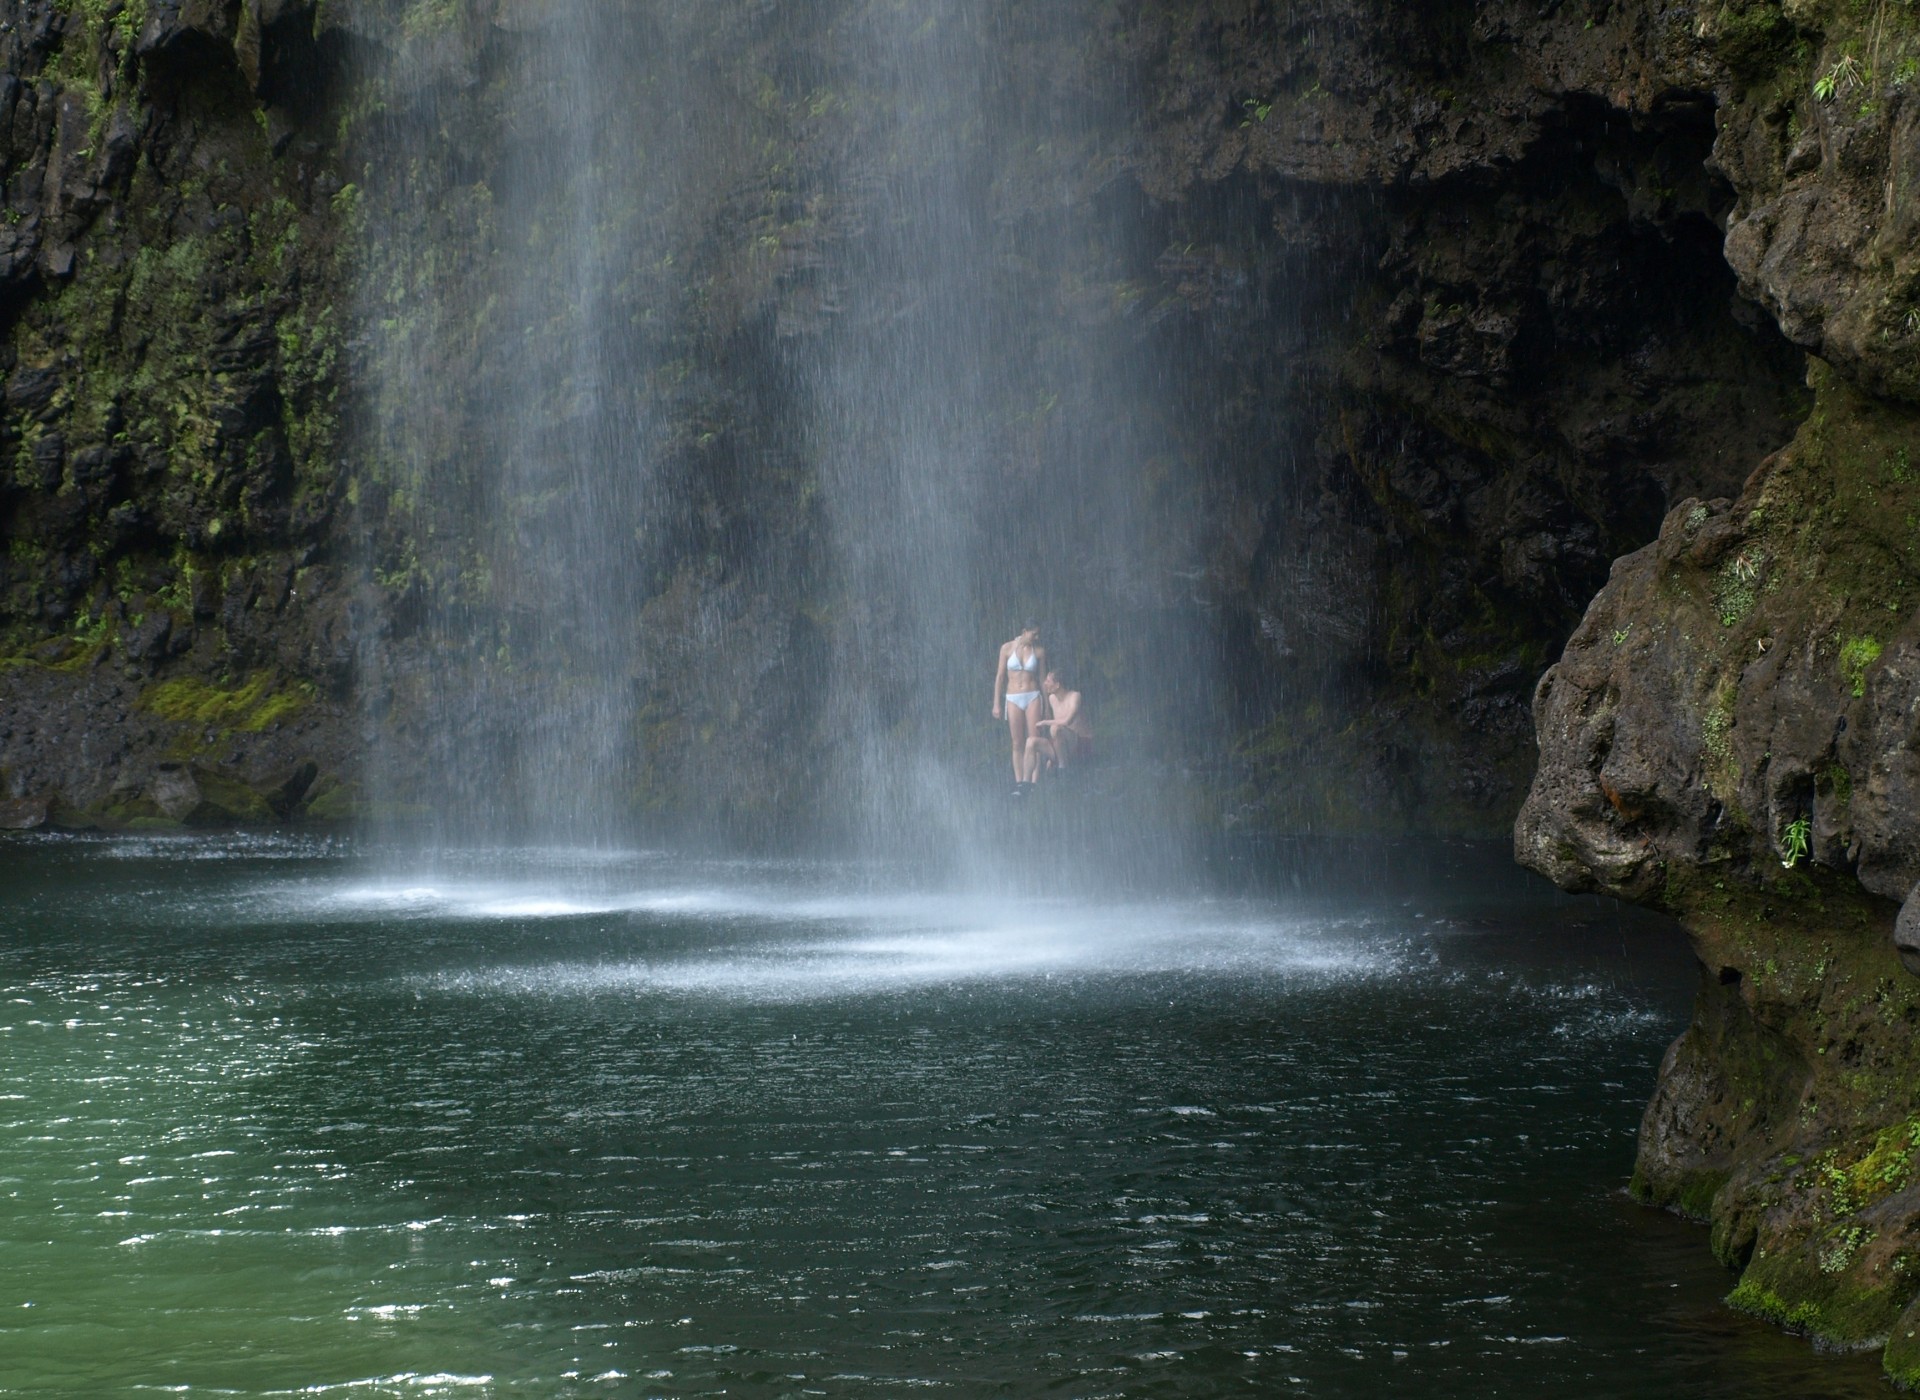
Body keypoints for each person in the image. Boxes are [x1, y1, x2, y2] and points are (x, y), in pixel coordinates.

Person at [991, 621, 1047, 794]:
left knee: (1034, 739)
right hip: (1013, 696)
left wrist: (1048, 706)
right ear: (1025, 631)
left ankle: (1033, 782)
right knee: (1017, 742)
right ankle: (1019, 782)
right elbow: (1000, 676)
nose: (1036, 637)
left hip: (1032, 696)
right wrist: (996, 703)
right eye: (1034, 634)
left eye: (1038, 635)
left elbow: (1043, 679)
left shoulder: (1039, 651)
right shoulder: (1006, 648)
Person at [1027, 669, 1090, 779]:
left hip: (1080, 743)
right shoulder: (1052, 698)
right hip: (1063, 744)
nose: (1044, 683)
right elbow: (1058, 733)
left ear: (1057, 685)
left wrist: (1045, 722)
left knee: (1055, 728)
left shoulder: (1075, 696)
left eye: (1048, 681)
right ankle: (1026, 784)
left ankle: (1062, 769)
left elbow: (1067, 721)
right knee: (1031, 741)